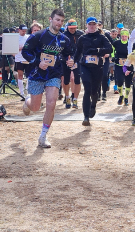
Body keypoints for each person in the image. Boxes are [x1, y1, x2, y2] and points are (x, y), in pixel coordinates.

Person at [21, 9, 75, 148]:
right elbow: (26, 51)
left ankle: (43, 136)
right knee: (35, 107)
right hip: (36, 74)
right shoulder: (38, 36)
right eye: (57, 20)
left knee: (51, 103)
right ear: (50, 19)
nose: (59, 23)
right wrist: (37, 62)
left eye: (62, 21)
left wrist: (71, 61)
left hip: (54, 74)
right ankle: (27, 102)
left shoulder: (64, 39)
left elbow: (69, 54)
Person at [73, 17, 113, 125]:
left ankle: (93, 105)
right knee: (87, 88)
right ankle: (86, 117)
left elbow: (110, 49)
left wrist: (97, 51)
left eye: (93, 24)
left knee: (94, 92)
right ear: (86, 25)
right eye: (89, 24)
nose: (91, 26)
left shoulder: (101, 37)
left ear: (96, 25)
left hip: (97, 67)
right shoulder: (82, 38)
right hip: (85, 66)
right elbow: (78, 52)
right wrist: (73, 62)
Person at [62, 19, 83, 108]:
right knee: (66, 80)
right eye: (71, 28)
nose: (72, 30)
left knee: (77, 80)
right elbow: (60, 50)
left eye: (74, 28)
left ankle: (75, 99)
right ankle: (67, 98)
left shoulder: (80, 34)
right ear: (67, 27)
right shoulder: (63, 35)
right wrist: (66, 59)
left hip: (77, 59)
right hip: (66, 60)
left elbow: (83, 48)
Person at [112, 29, 132, 105]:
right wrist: (113, 57)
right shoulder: (116, 43)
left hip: (128, 66)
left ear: (128, 36)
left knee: (127, 82)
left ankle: (126, 97)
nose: (124, 38)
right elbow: (112, 49)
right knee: (119, 81)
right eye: (122, 36)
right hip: (118, 65)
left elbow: (134, 52)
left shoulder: (130, 44)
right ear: (120, 36)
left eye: (125, 36)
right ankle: (121, 96)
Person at [13, 24, 32, 99]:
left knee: (29, 76)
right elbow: (14, 48)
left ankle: (27, 91)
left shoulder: (28, 37)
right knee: (20, 75)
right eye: (22, 31)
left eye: (25, 31)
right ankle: (21, 93)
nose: (24, 32)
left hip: (27, 59)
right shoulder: (16, 38)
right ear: (19, 30)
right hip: (19, 59)